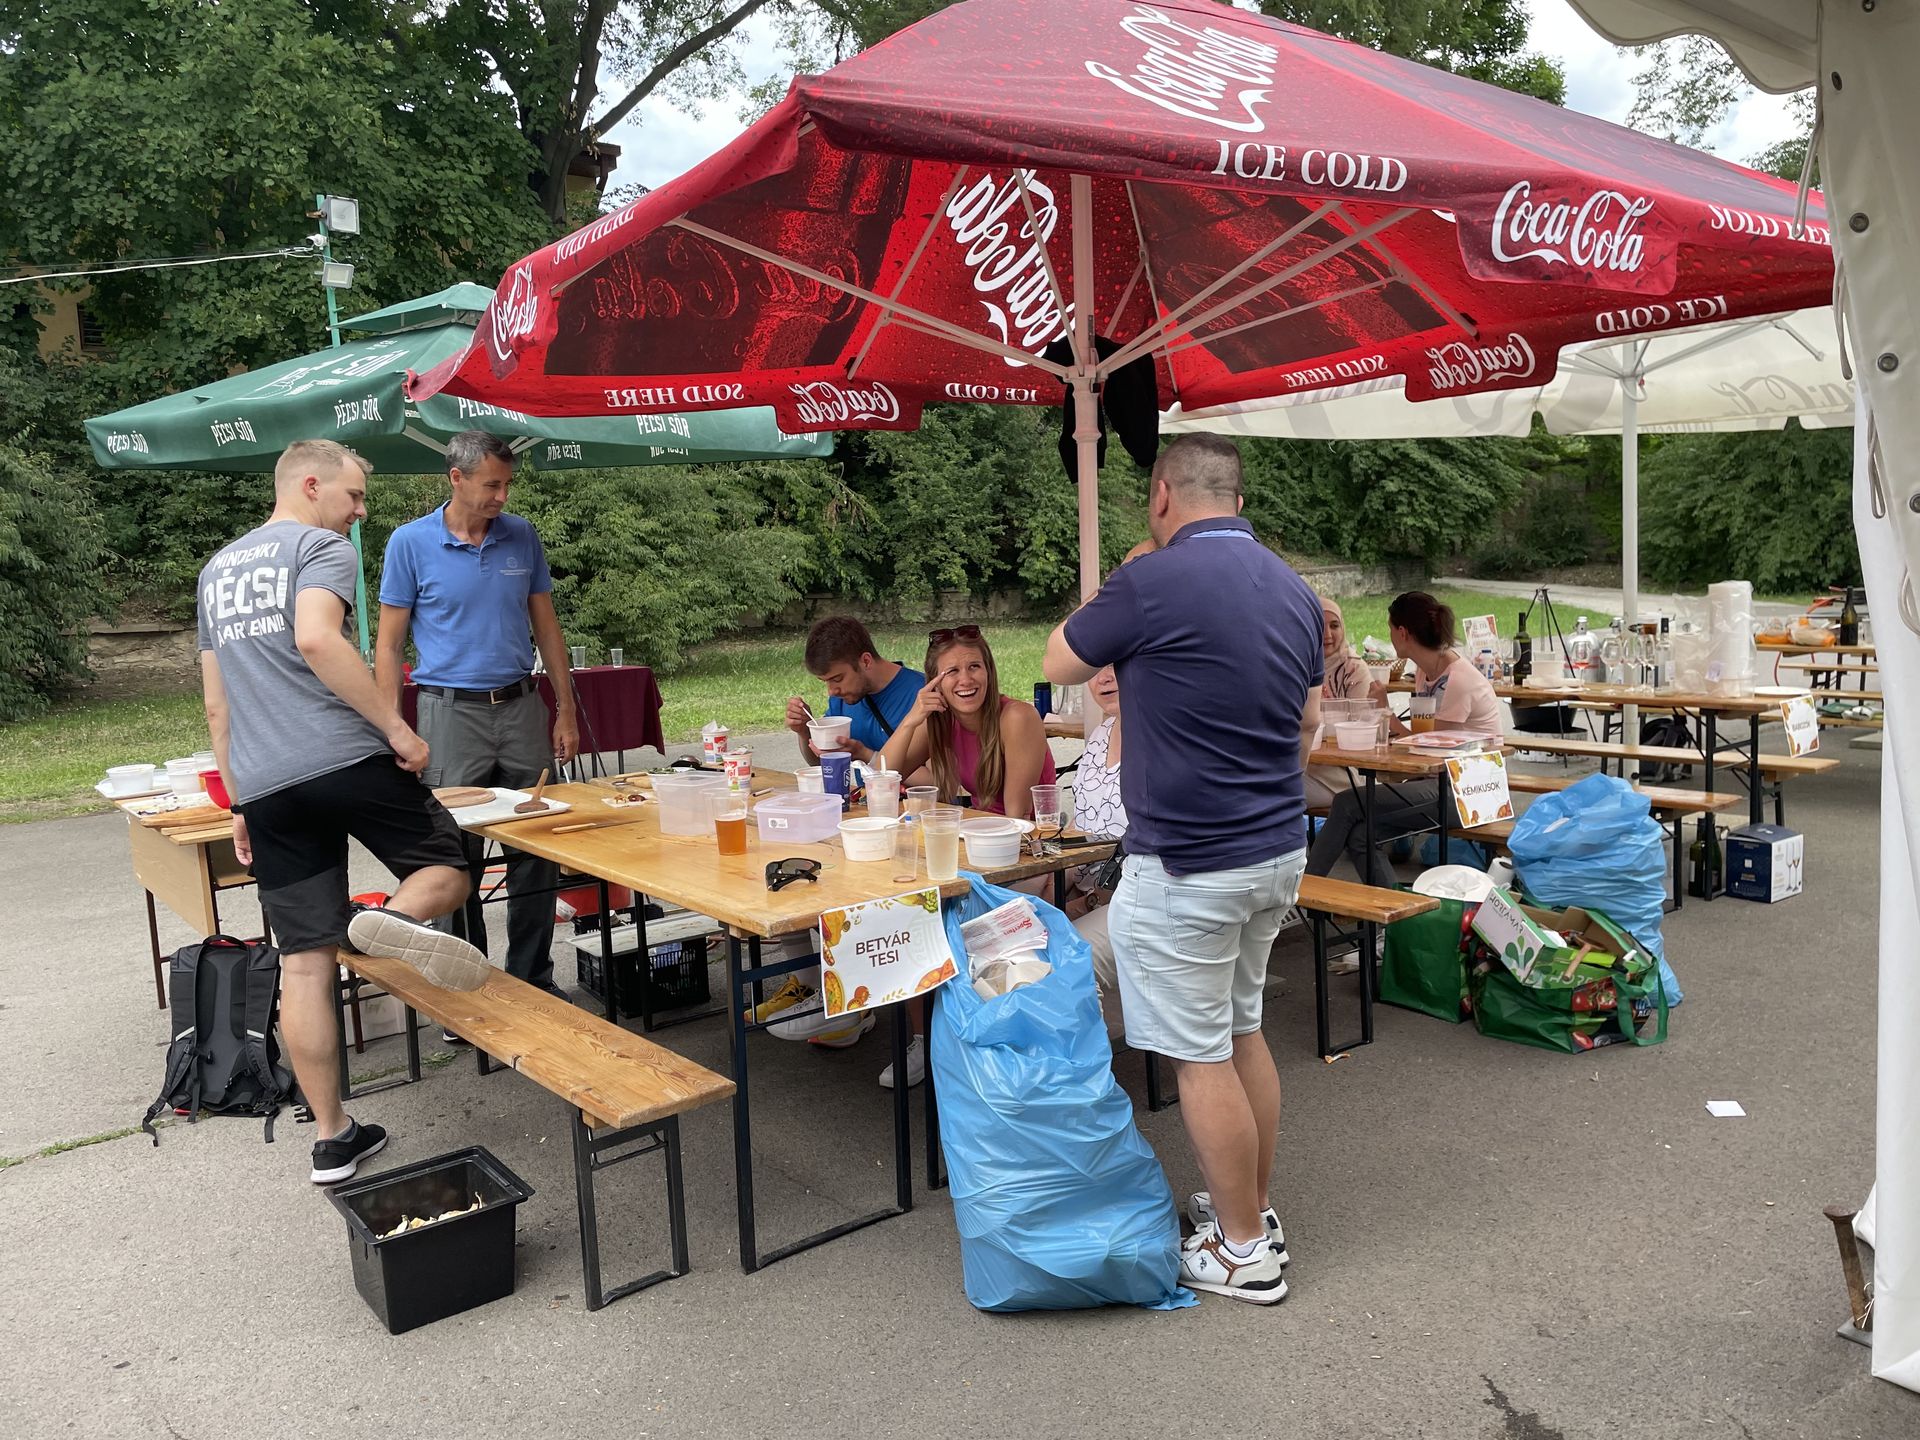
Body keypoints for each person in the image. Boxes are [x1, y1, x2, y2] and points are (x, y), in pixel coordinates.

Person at [1044, 432, 1323, 1306]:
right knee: (1241, 1034)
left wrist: (1122, 588)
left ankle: (1243, 1252)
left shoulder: (1151, 580)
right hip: (1276, 850)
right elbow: (1309, 723)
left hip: (1188, 864)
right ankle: (1252, 1211)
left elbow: (1058, 660)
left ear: (1162, 495)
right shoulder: (1294, 588)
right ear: (1239, 499)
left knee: (1198, 1058)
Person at [198, 440, 489, 1186]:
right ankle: (382, 921)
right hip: (343, 757)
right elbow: (315, 637)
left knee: (303, 964)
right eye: (354, 496)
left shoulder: (216, 572)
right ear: (310, 484)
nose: (360, 513)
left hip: (267, 783)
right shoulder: (318, 549)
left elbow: (217, 703)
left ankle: (332, 1140)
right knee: (451, 866)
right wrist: (396, 728)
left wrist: (239, 799)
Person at [375, 431, 577, 1009]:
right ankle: (463, 988)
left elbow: (547, 627)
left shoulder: (521, 536)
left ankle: (532, 980)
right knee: (453, 854)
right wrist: (392, 729)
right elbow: (388, 646)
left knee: (536, 848)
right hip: (448, 713)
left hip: (521, 707)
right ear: (456, 478)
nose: (502, 497)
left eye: (507, 485)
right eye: (492, 485)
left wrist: (564, 709)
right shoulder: (410, 542)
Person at [1307, 591, 1504, 885]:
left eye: (1390, 629)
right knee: (1361, 834)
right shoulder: (1425, 672)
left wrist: (1386, 713)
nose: (1389, 636)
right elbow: (1424, 741)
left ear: (1402, 632)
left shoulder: (1458, 680)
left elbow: (1434, 750)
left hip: (1473, 790)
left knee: (1349, 803)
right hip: (1439, 781)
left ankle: (1301, 892)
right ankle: (1395, 910)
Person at [887, 625, 1056, 817]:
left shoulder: (1018, 717)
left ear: (988, 672)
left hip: (1028, 831)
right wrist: (909, 721)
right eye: (952, 671)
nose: (966, 680)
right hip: (980, 825)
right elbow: (881, 780)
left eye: (974, 666)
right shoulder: (941, 718)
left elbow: (1018, 816)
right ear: (936, 683)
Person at [1060, 665, 1125, 995]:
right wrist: (1050, 883)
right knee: (995, 927)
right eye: (1095, 666)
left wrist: (1087, 903)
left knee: (1061, 963)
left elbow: (1156, 855)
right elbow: (1081, 825)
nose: (1103, 677)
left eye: (1116, 663)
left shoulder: (1164, 738)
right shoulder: (1102, 734)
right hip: (1088, 887)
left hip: (1136, 900)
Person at [782, 616, 925, 766]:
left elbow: (933, 776)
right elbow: (821, 763)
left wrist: (863, 755)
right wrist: (804, 732)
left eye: (837, 679)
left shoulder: (922, 695)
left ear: (866, 661)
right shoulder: (842, 698)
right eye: (825, 681)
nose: (831, 691)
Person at [1304, 595, 1376, 811]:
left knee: (1273, 793)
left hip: (1342, 775)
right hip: (1303, 764)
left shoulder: (1353, 669)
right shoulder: (1299, 665)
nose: (1327, 635)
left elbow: (1360, 727)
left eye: (1334, 626)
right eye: (1319, 626)